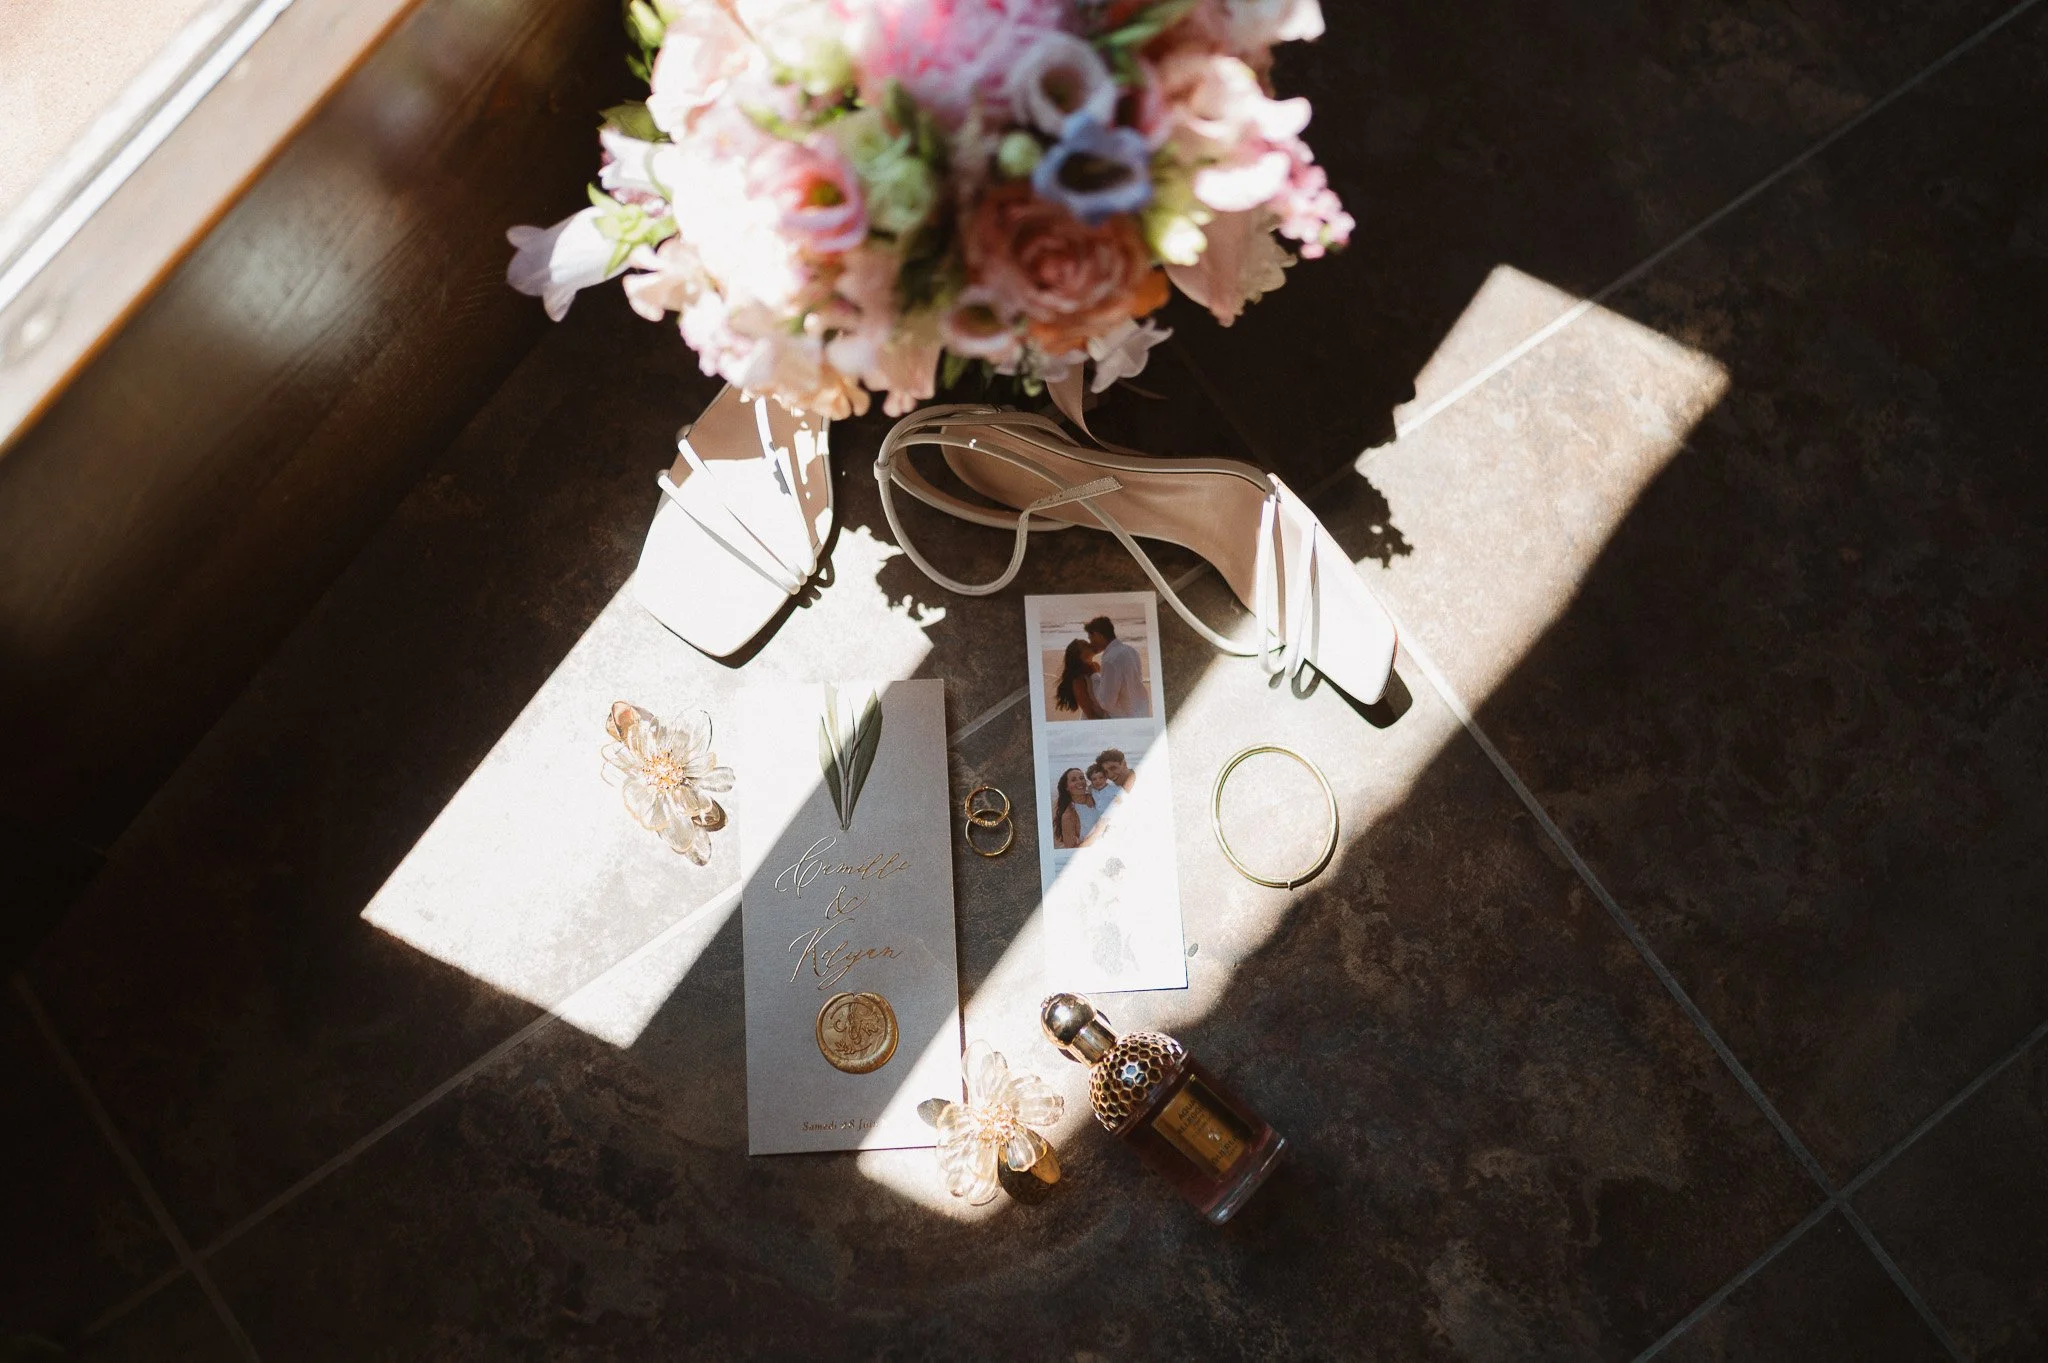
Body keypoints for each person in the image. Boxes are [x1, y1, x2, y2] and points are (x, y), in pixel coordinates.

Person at [1085, 616, 1148, 718]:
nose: (1091, 643)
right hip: (1141, 711)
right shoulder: (1131, 651)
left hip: (1125, 718)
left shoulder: (1110, 660)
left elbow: (1106, 703)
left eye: (1090, 638)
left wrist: (1095, 676)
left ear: (1097, 635)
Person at [1053, 639, 1109, 718]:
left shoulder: (1096, 666)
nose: (1089, 645)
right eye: (1085, 645)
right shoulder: (1078, 680)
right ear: (1079, 655)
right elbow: (1090, 713)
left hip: (1107, 716)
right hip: (1094, 721)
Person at [1051, 767, 1099, 849]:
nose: (1079, 782)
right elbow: (1070, 849)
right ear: (1067, 787)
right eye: (1073, 780)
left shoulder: (1097, 797)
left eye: (1081, 778)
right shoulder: (1069, 815)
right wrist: (1097, 834)